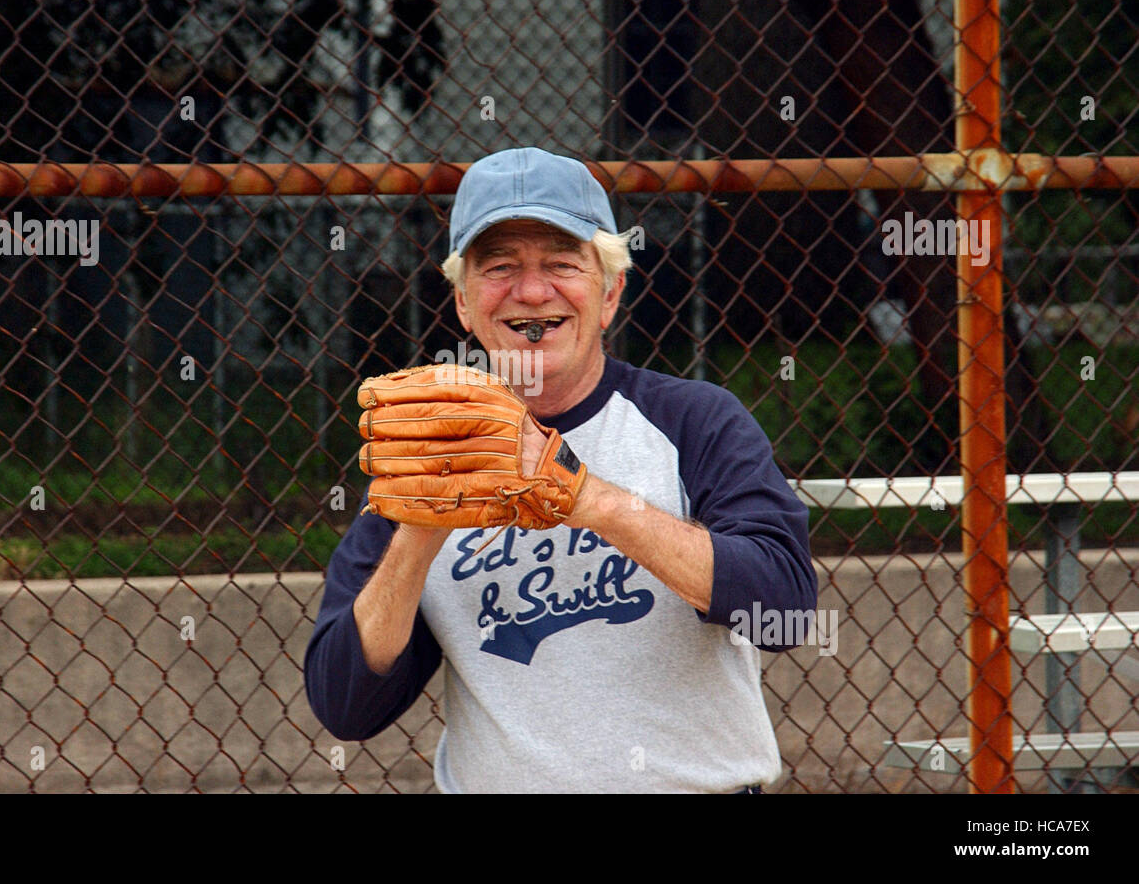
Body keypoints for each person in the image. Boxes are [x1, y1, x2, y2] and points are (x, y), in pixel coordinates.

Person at [304, 146, 817, 793]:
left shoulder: (695, 421)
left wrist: (591, 500)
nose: (532, 290)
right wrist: (421, 527)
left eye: (561, 263)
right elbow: (345, 706)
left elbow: (787, 612)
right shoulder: (429, 453)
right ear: (464, 304)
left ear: (609, 293)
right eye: (500, 266)